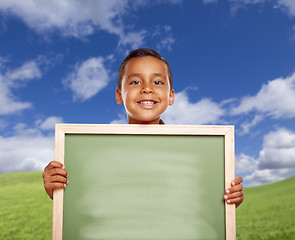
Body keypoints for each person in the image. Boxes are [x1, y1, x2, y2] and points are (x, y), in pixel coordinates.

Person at [42, 48, 244, 208]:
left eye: (157, 81)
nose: (147, 88)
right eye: (135, 81)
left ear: (171, 96)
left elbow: (201, 201)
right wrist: (59, 192)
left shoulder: (196, 155)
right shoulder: (96, 154)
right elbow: (88, 202)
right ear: (119, 95)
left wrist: (228, 198)